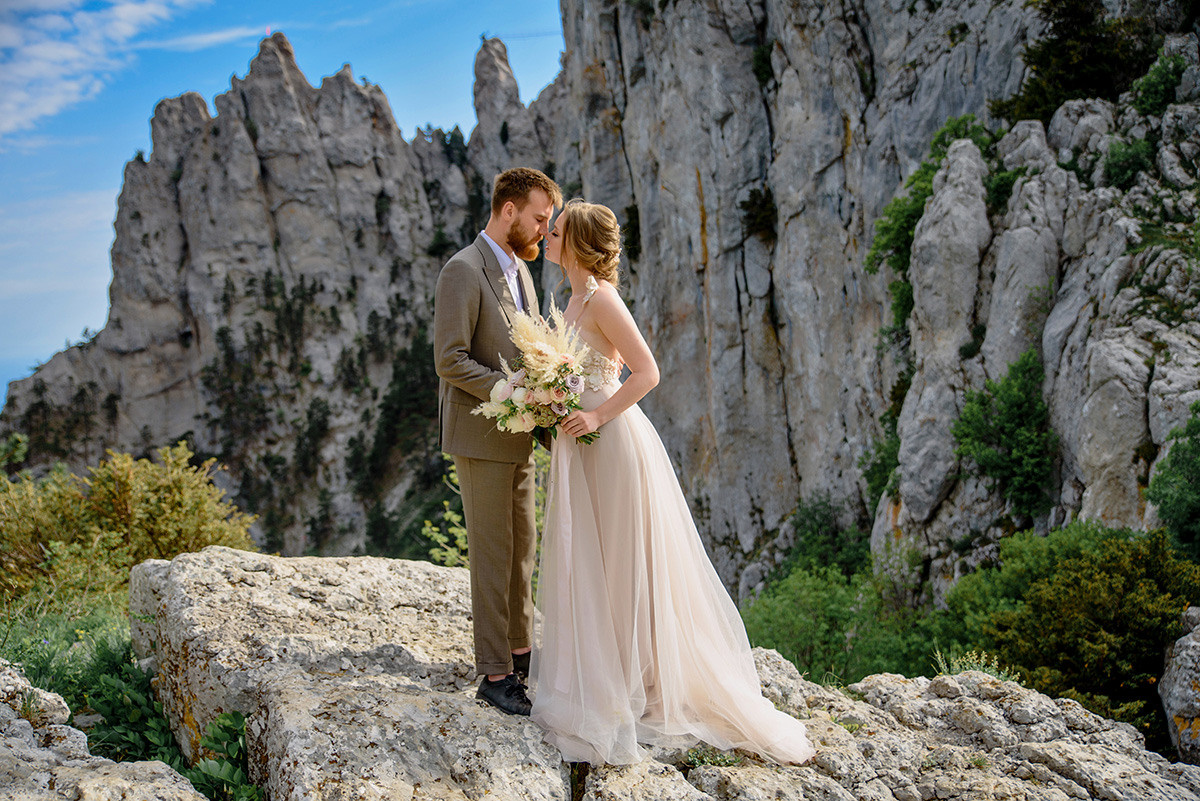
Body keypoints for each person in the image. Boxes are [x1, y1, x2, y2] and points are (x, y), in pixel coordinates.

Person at [530, 199, 815, 765]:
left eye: (556, 230)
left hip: (611, 443)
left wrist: (593, 415)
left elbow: (648, 371)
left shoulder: (604, 299)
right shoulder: (573, 297)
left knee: (624, 557)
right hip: (578, 444)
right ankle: (609, 672)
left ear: (578, 243)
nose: (548, 234)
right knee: (595, 556)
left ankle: (644, 682)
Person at [433, 167, 562, 716]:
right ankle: (493, 673)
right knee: (492, 553)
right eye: (538, 219)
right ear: (508, 210)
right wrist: (508, 391)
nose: (543, 230)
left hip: (518, 433)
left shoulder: (522, 275)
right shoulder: (462, 270)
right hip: (482, 432)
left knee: (522, 549)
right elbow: (450, 358)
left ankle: (519, 649)